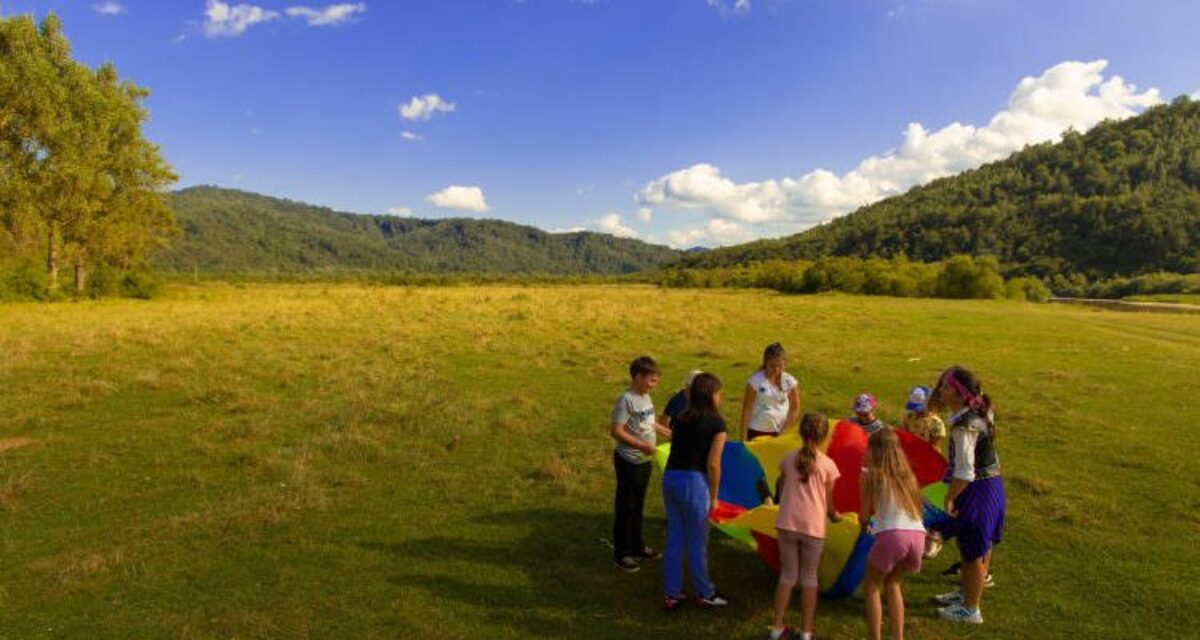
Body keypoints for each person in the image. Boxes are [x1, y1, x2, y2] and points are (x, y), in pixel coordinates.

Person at [929, 366, 1005, 625]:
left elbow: (964, 471)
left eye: (947, 387)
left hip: (975, 488)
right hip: (991, 483)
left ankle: (971, 608)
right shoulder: (980, 410)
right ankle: (968, 593)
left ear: (960, 394)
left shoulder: (965, 426)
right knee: (980, 543)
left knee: (972, 546)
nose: (942, 390)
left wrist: (949, 497)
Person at [767, 413, 841, 640]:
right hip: (813, 527)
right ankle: (807, 632)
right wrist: (836, 517)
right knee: (810, 578)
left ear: (800, 432)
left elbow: (780, 490)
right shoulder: (828, 465)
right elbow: (829, 506)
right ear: (825, 436)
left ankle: (777, 627)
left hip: (787, 524)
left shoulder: (788, 459)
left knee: (787, 575)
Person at [662, 373, 730, 610]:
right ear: (711, 395)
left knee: (674, 537)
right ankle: (704, 592)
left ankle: (672, 593)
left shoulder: (680, 418)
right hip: (694, 482)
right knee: (697, 541)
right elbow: (713, 464)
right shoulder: (717, 424)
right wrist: (713, 496)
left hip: (671, 477)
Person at [860, 428, 927, 640]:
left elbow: (864, 515)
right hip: (917, 537)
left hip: (892, 536)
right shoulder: (909, 478)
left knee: (871, 586)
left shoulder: (870, 475)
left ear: (874, 450)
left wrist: (865, 527)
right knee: (893, 584)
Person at [610, 355, 672, 573]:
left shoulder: (645, 397)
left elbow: (646, 421)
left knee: (638, 505)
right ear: (638, 377)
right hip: (629, 460)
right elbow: (616, 431)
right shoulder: (626, 399)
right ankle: (621, 554)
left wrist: (663, 430)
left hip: (645, 461)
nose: (654, 385)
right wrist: (640, 445)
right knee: (626, 506)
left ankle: (636, 546)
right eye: (652, 380)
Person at [741, 343, 800, 440]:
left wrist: (784, 429)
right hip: (756, 431)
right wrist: (743, 439)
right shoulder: (755, 381)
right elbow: (746, 409)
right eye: (772, 366)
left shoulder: (790, 382)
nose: (776, 369)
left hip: (780, 433)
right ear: (765, 363)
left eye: (780, 366)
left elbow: (795, 408)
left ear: (785, 363)